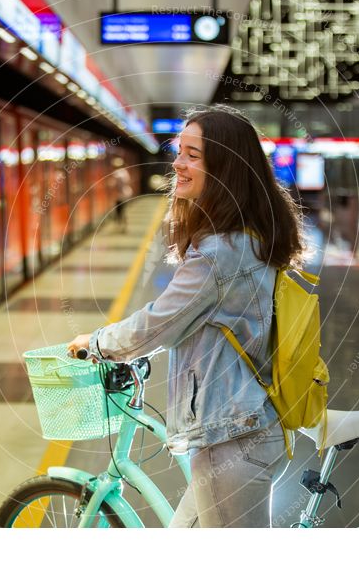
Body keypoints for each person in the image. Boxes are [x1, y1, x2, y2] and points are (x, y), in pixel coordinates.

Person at [67, 105, 305, 528]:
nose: (177, 162)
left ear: (225, 168)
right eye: (180, 151)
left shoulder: (220, 252)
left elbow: (160, 320)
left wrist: (99, 344)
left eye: (192, 155)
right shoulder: (247, 234)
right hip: (242, 426)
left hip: (232, 437)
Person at [112, 167, 133, 233]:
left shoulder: (117, 173)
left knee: (120, 211)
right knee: (124, 211)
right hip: (125, 195)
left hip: (120, 196)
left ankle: (121, 226)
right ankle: (124, 226)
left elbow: (113, 184)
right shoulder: (124, 172)